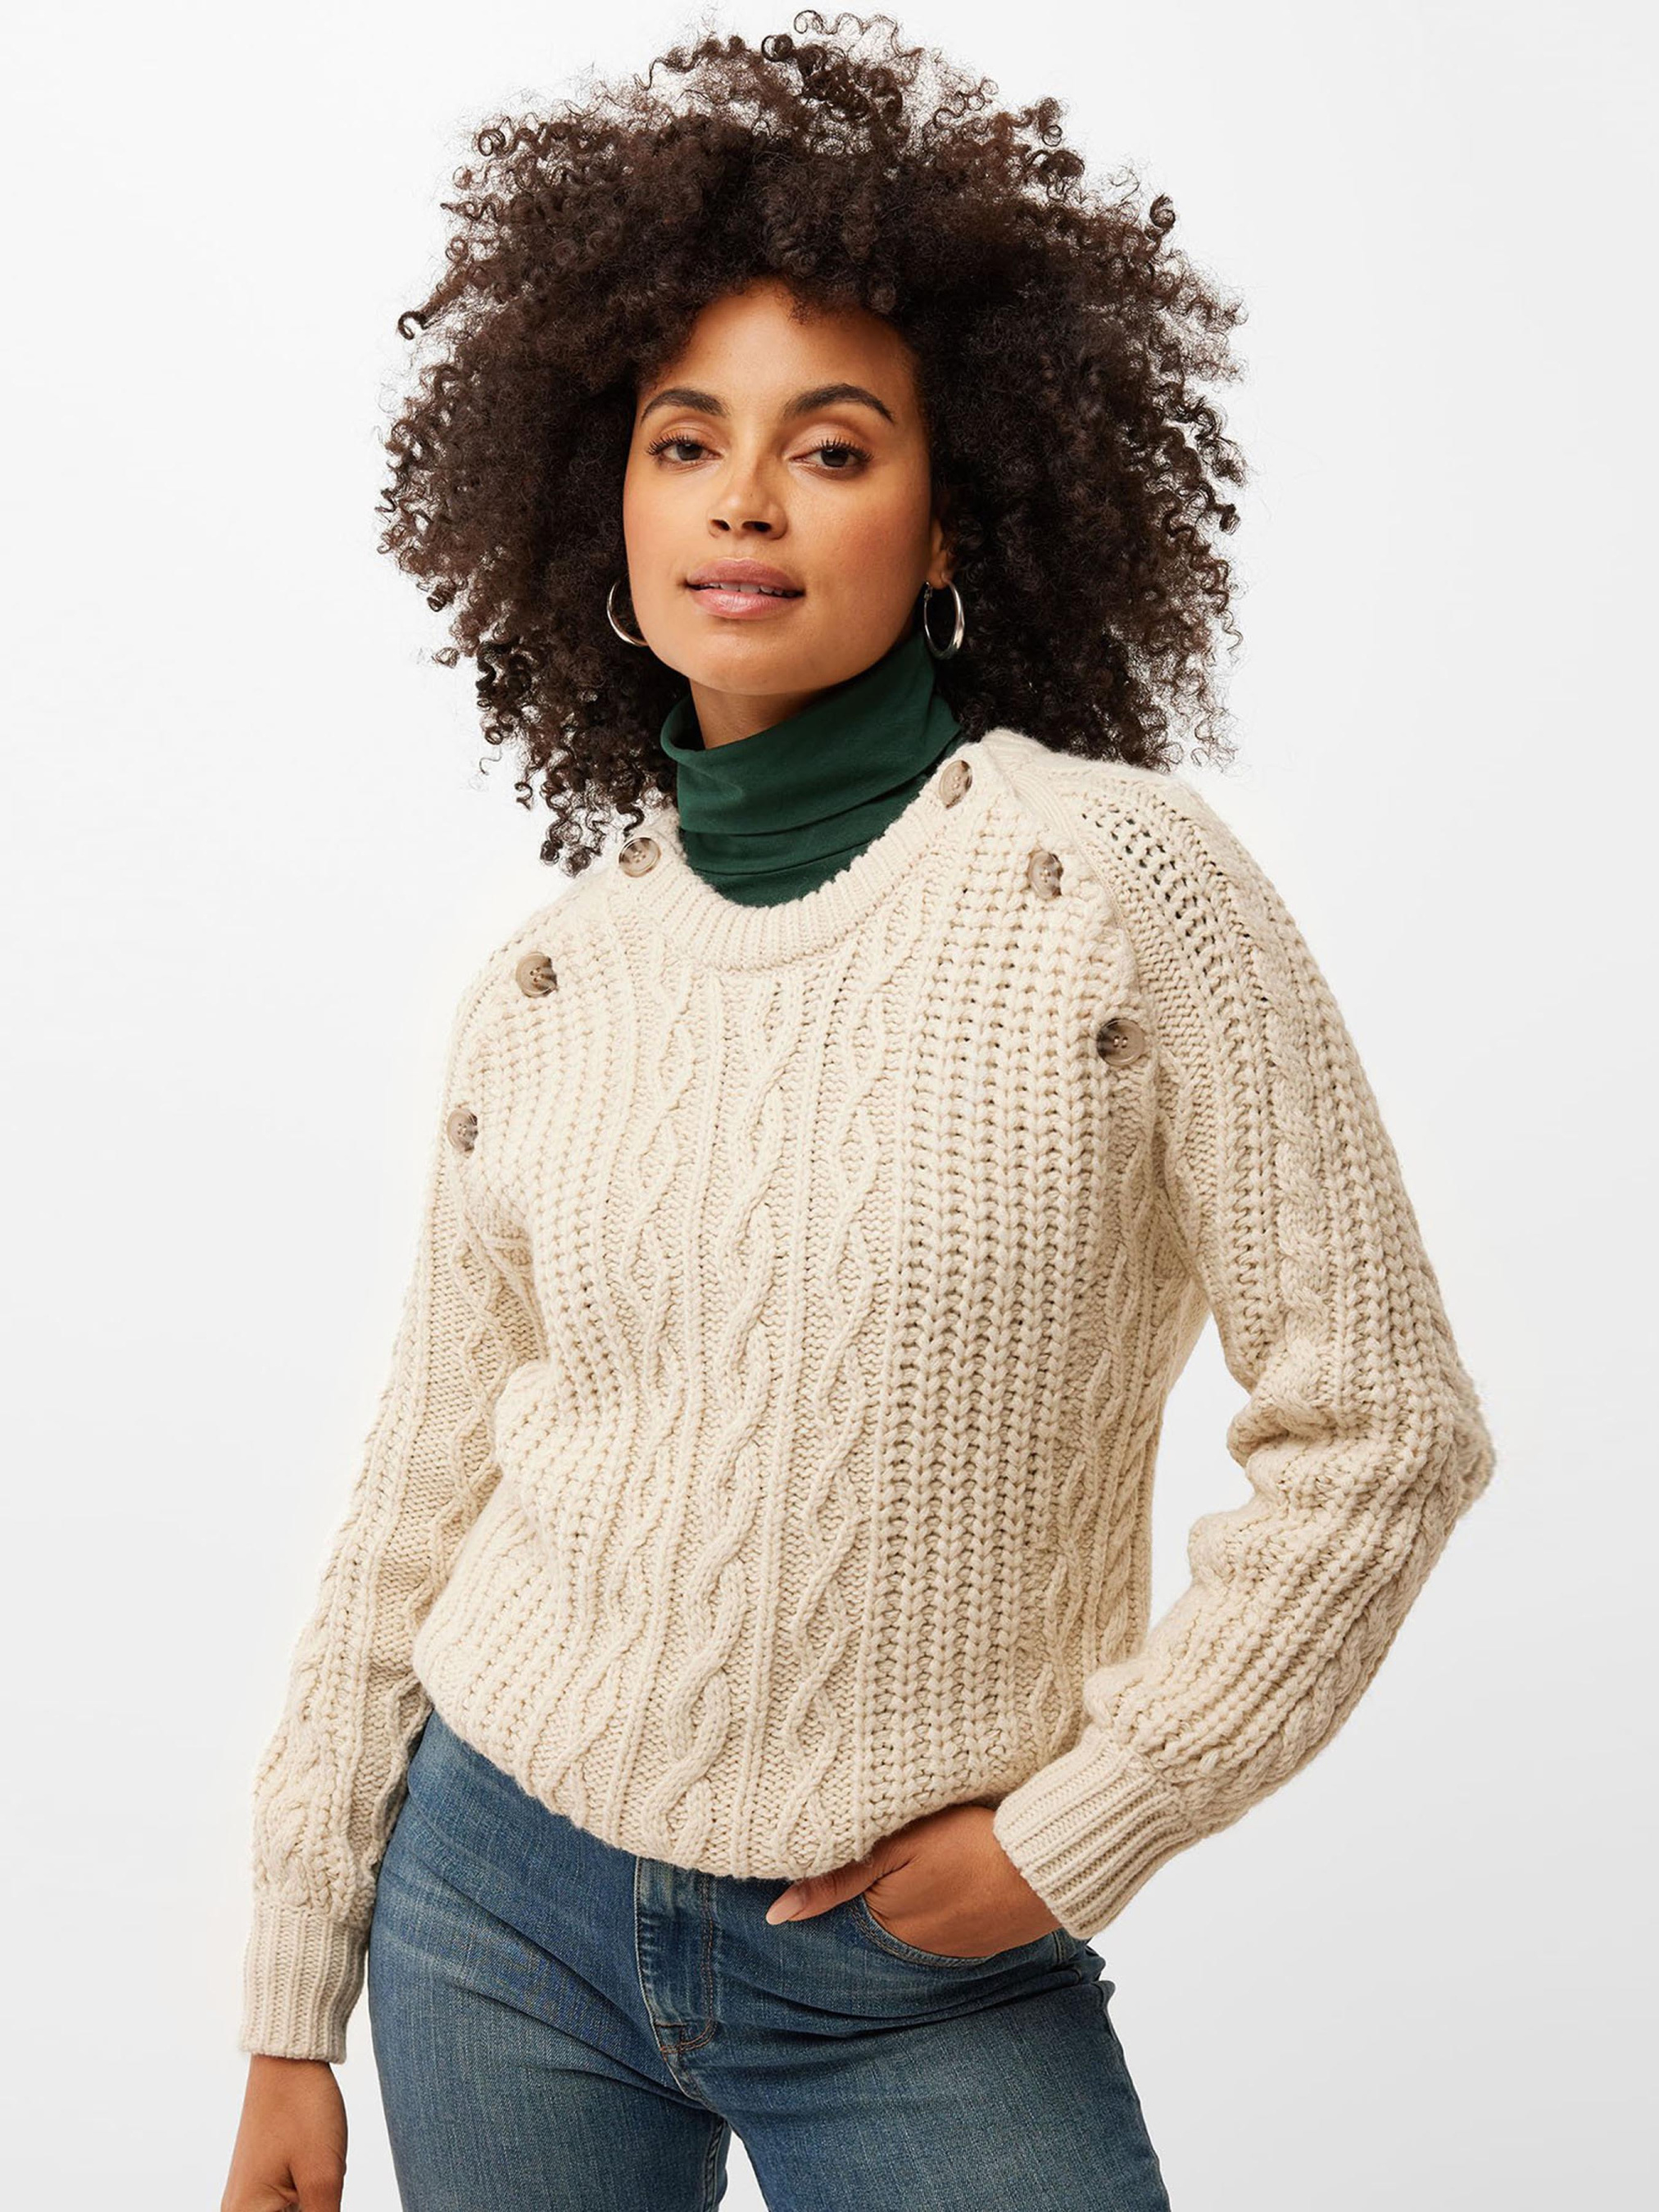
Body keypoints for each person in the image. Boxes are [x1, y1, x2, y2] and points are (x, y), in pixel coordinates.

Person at [220, 17, 1497, 2210]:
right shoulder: (549, 985)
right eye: (682, 441)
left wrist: (1084, 1826)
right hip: (493, 1910)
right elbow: (416, 1497)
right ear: (602, 509)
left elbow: (1383, 1428)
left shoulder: (1115, 888)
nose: (742, 498)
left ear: (950, 519)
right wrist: (285, 2003)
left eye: (830, 445)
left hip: (920, 1965)